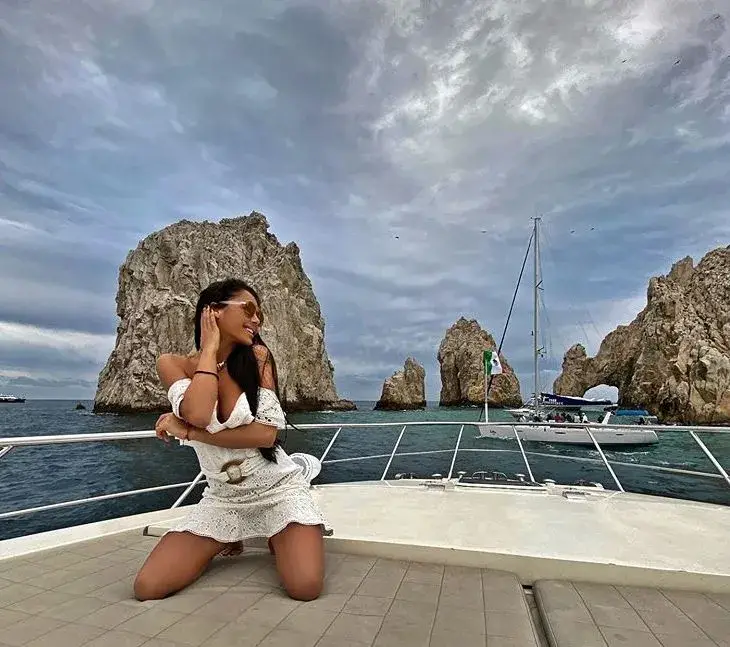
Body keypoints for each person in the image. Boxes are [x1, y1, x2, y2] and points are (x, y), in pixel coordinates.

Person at [133, 278, 329, 602]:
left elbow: (265, 435)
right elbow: (198, 412)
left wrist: (187, 433)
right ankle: (227, 534)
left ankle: (282, 525)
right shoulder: (173, 364)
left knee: (304, 587)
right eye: (248, 310)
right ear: (213, 311)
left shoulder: (258, 357)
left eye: (260, 314)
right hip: (222, 498)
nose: (256, 320)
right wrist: (209, 349)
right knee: (148, 587)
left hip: (277, 490)